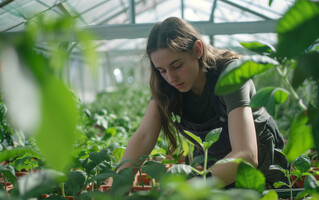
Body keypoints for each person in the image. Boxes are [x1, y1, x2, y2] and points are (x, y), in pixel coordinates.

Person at [108, 16, 288, 189]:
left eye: (177, 65)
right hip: (217, 171)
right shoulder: (166, 86)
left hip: (263, 171)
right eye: (162, 70)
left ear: (197, 50)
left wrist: (195, 187)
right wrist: (119, 180)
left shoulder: (230, 75)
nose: (171, 78)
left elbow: (247, 155)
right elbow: (144, 136)